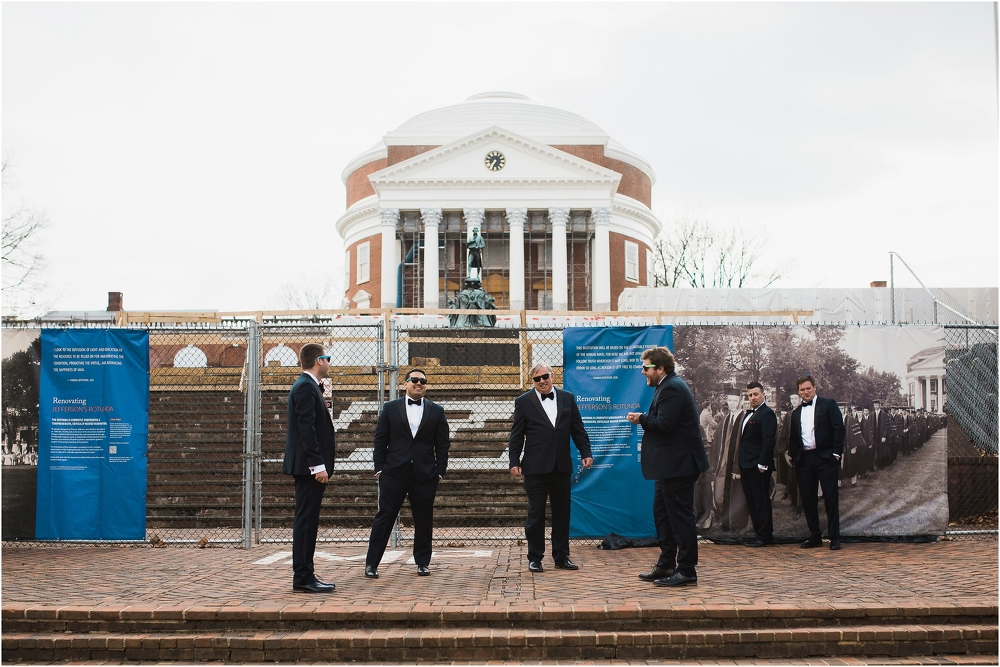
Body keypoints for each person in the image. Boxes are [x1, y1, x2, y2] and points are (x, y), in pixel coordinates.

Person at [627, 347, 709, 587]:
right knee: (663, 514)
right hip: (670, 467)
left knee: (680, 518)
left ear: (660, 368)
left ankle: (686, 570)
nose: (643, 372)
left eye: (646, 367)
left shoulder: (672, 386)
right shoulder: (666, 385)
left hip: (679, 466)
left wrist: (641, 418)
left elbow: (665, 424)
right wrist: (644, 417)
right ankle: (666, 564)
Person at [364, 369, 450, 578]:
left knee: (423, 519)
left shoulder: (436, 411)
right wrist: (379, 469)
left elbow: (443, 443)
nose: (419, 383)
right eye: (414, 380)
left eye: (423, 380)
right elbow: (380, 440)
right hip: (394, 473)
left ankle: (422, 562)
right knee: (384, 518)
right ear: (406, 383)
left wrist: (440, 471)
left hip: (424, 474)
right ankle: (371, 564)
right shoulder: (390, 408)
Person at [508, 363, 593, 572]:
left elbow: (578, 429)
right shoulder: (523, 402)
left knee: (562, 513)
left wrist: (586, 452)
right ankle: (534, 557)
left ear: (552, 376)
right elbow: (516, 435)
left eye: (545, 376)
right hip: (535, 467)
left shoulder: (568, 398)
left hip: (561, 466)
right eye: (537, 379)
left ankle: (561, 556)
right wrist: (514, 461)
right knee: (535, 514)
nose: (542, 381)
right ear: (533, 382)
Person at [282, 343, 337, 593]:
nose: (329, 362)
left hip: (307, 466)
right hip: (308, 467)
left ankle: (305, 573)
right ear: (318, 361)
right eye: (327, 358)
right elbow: (307, 428)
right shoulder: (305, 386)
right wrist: (318, 465)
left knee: (308, 519)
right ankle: (303, 577)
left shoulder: (309, 386)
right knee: (306, 521)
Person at [786, 374, 845, 551]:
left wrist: (836, 453)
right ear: (798, 391)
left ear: (814, 388)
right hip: (805, 460)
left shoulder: (828, 405)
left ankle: (834, 537)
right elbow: (793, 437)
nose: (805, 392)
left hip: (826, 458)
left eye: (808, 389)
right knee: (808, 499)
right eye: (802, 390)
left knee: (830, 498)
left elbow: (838, 429)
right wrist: (797, 457)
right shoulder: (796, 413)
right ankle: (815, 536)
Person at [737, 382, 777, 547]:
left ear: (763, 395)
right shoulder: (750, 413)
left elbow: (768, 441)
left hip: (758, 467)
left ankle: (765, 536)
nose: (752, 397)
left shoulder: (767, 414)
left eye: (755, 394)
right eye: (750, 395)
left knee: (761, 501)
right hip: (746, 465)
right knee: (752, 501)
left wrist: (762, 464)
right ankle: (759, 533)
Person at [711, 387, 751, 532]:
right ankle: (725, 520)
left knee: (738, 496)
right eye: (730, 400)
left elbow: (747, 446)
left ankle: (738, 524)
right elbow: (716, 444)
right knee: (719, 495)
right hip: (723, 463)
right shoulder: (724, 420)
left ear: (740, 401)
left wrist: (738, 466)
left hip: (737, 464)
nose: (732, 403)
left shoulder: (746, 419)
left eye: (735, 400)